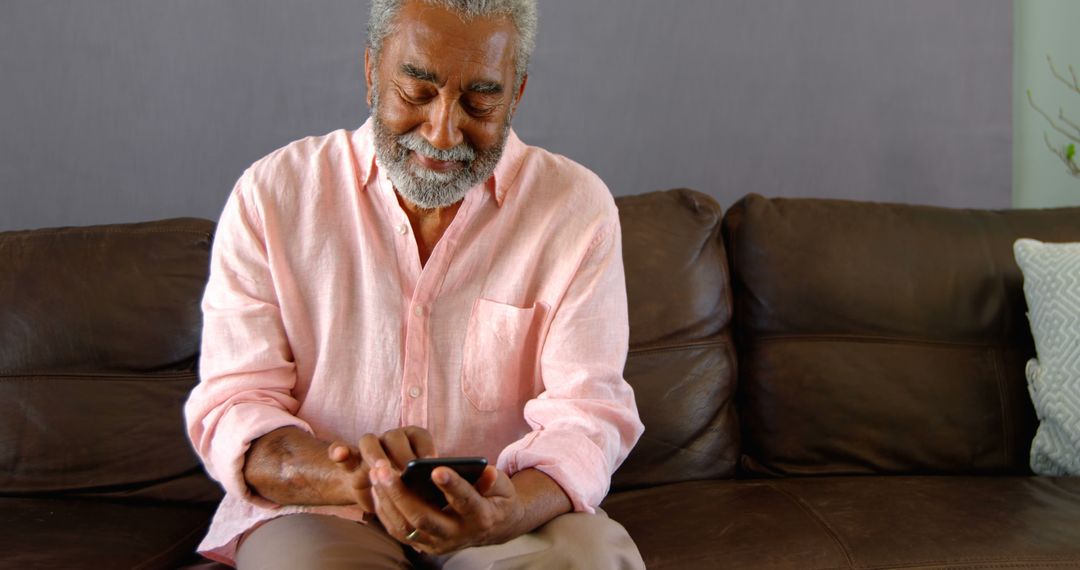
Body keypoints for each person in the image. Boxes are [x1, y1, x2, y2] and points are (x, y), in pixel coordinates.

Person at [184, 0, 645, 568]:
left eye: (480, 100)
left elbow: (588, 414)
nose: (444, 132)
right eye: (416, 93)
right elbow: (238, 407)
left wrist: (505, 511)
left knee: (590, 561)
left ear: (516, 93)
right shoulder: (272, 196)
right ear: (372, 72)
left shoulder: (576, 209)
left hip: (508, 519)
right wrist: (357, 479)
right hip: (328, 513)